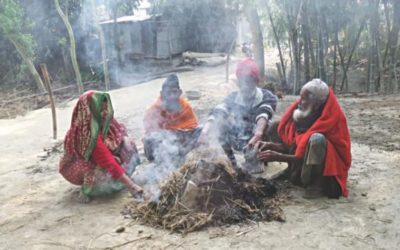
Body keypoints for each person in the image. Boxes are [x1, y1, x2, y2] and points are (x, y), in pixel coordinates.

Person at [257, 79, 352, 198]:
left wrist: (278, 156)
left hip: (327, 171)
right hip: (302, 161)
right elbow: (295, 144)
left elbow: (308, 151)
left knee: (317, 139)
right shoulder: (303, 112)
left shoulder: (332, 117)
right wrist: (272, 146)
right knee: (276, 126)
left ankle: (316, 184)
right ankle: (291, 170)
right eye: (300, 97)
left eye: (304, 99)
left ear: (317, 104)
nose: (299, 102)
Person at [59, 90, 143, 202]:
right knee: (102, 171)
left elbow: (121, 134)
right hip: (80, 166)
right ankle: (88, 190)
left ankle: (121, 178)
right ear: (90, 111)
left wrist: (125, 144)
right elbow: (105, 159)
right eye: (100, 109)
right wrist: (131, 186)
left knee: (128, 144)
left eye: (105, 108)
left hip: (103, 160)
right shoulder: (87, 132)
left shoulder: (104, 120)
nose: (104, 112)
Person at [199, 59, 277, 171]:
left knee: (267, 127)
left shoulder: (267, 96)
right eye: (242, 80)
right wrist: (204, 132)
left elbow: (264, 113)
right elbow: (218, 111)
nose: (245, 84)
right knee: (221, 125)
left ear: (256, 81)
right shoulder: (233, 97)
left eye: (248, 80)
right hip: (239, 136)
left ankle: (256, 161)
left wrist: (258, 133)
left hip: (257, 137)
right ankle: (233, 162)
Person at [143, 74, 201, 165]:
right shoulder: (154, 110)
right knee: (148, 140)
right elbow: (152, 133)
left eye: (175, 92)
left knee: (201, 131)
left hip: (182, 145)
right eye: (168, 93)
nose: (172, 96)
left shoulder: (185, 106)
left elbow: (192, 128)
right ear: (162, 94)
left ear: (180, 92)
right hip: (162, 148)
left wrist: (179, 136)